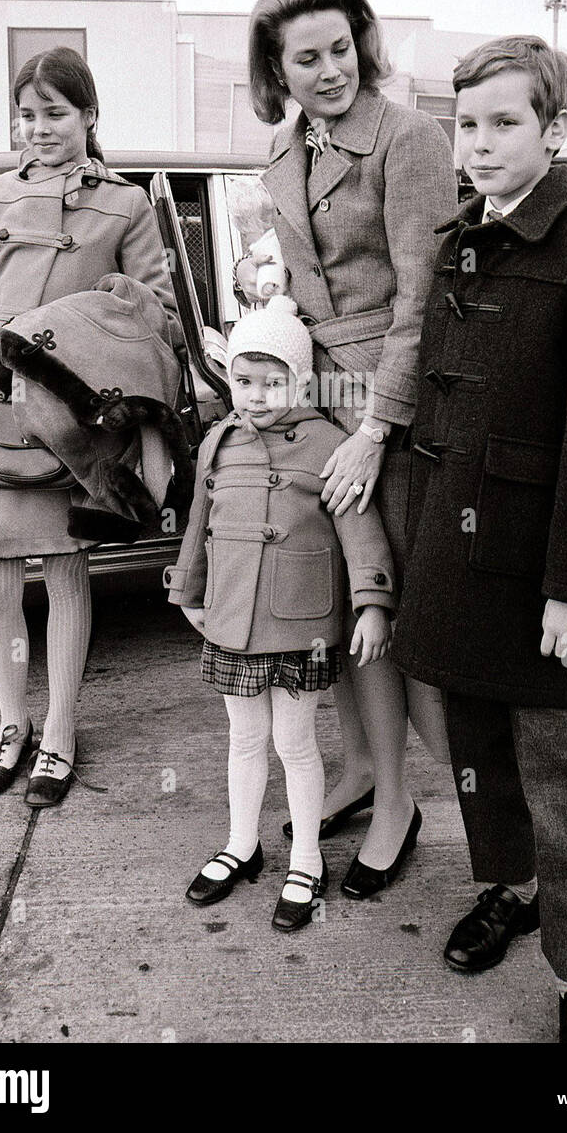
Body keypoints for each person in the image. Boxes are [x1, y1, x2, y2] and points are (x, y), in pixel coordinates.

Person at [391, 35, 567, 1042]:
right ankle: (506, 885)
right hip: (456, 560)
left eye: (505, 122)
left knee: (551, 774)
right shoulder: (459, 240)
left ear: (553, 129)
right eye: (467, 124)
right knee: (474, 756)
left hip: (543, 572)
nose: (482, 143)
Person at [238, 0, 458, 899]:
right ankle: (362, 772)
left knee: (393, 605)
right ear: (276, 68)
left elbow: (426, 296)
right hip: (314, 397)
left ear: (360, 44)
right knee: (340, 605)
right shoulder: (284, 154)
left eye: (339, 48)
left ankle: (401, 801)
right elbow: (295, 290)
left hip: (391, 405)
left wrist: (376, 425)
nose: (329, 70)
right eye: (306, 57)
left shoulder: (407, 137)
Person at [0, 47, 181, 807]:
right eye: (27, 114)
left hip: (77, 419)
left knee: (69, 575)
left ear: (90, 116)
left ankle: (62, 731)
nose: (38, 129)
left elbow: (159, 314)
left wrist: (103, 309)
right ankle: (12, 725)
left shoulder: (128, 205)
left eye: (55, 114)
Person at [165, 296, 397, 931]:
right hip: (233, 619)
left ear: (301, 379)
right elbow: (199, 525)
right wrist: (189, 591)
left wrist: (371, 605)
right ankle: (242, 843)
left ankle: (305, 858)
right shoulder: (218, 440)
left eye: (274, 383)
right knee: (243, 739)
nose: (257, 396)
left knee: (295, 744)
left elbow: (359, 532)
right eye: (244, 381)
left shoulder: (331, 443)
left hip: (300, 626)